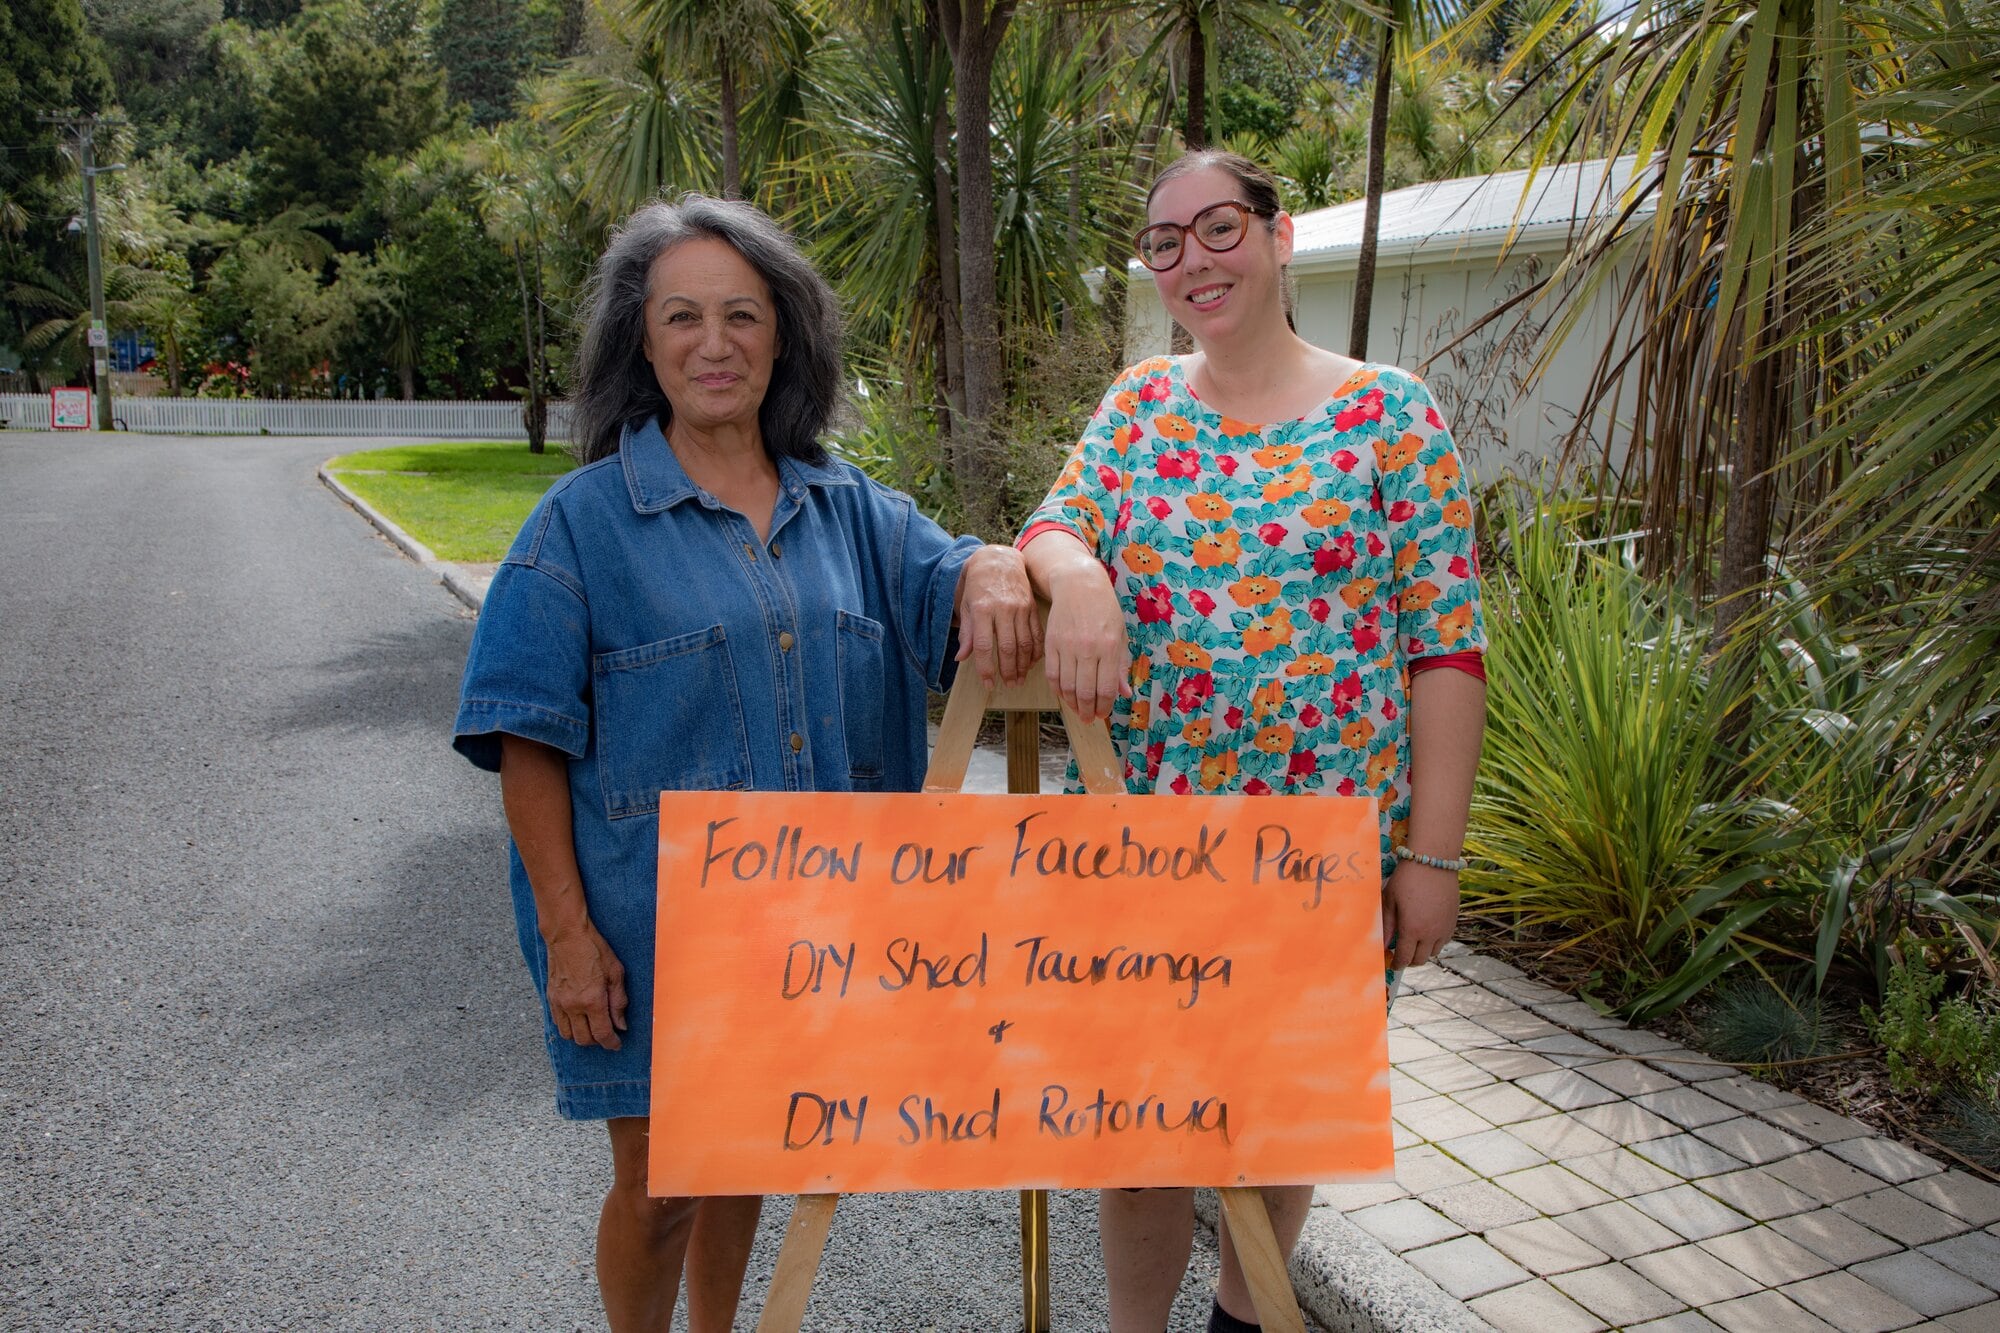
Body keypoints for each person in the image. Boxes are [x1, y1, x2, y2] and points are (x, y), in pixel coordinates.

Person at [451, 194, 1039, 1333]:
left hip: (815, 932)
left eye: (742, 315)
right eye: (681, 318)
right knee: (661, 1183)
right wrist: (569, 938)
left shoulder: (849, 510)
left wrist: (1002, 567)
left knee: (750, 1155)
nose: (713, 344)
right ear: (642, 340)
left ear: (783, 337)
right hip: (648, 928)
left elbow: (951, 576)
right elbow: (524, 741)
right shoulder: (578, 528)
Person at [1017, 150, 1489, 1333]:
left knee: (1277, 1121)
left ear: (1279, 240)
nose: (1192, 259)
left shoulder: (1390, 413)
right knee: (1137, 1138)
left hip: (1317, 860)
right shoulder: (1134, 408)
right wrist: (1073, 573)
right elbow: (1052, 519)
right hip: (1139, 856)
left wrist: (1429, 858)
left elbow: (1445, 646)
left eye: (1216, 227)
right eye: (1164, 243)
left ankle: (1245, 1316)